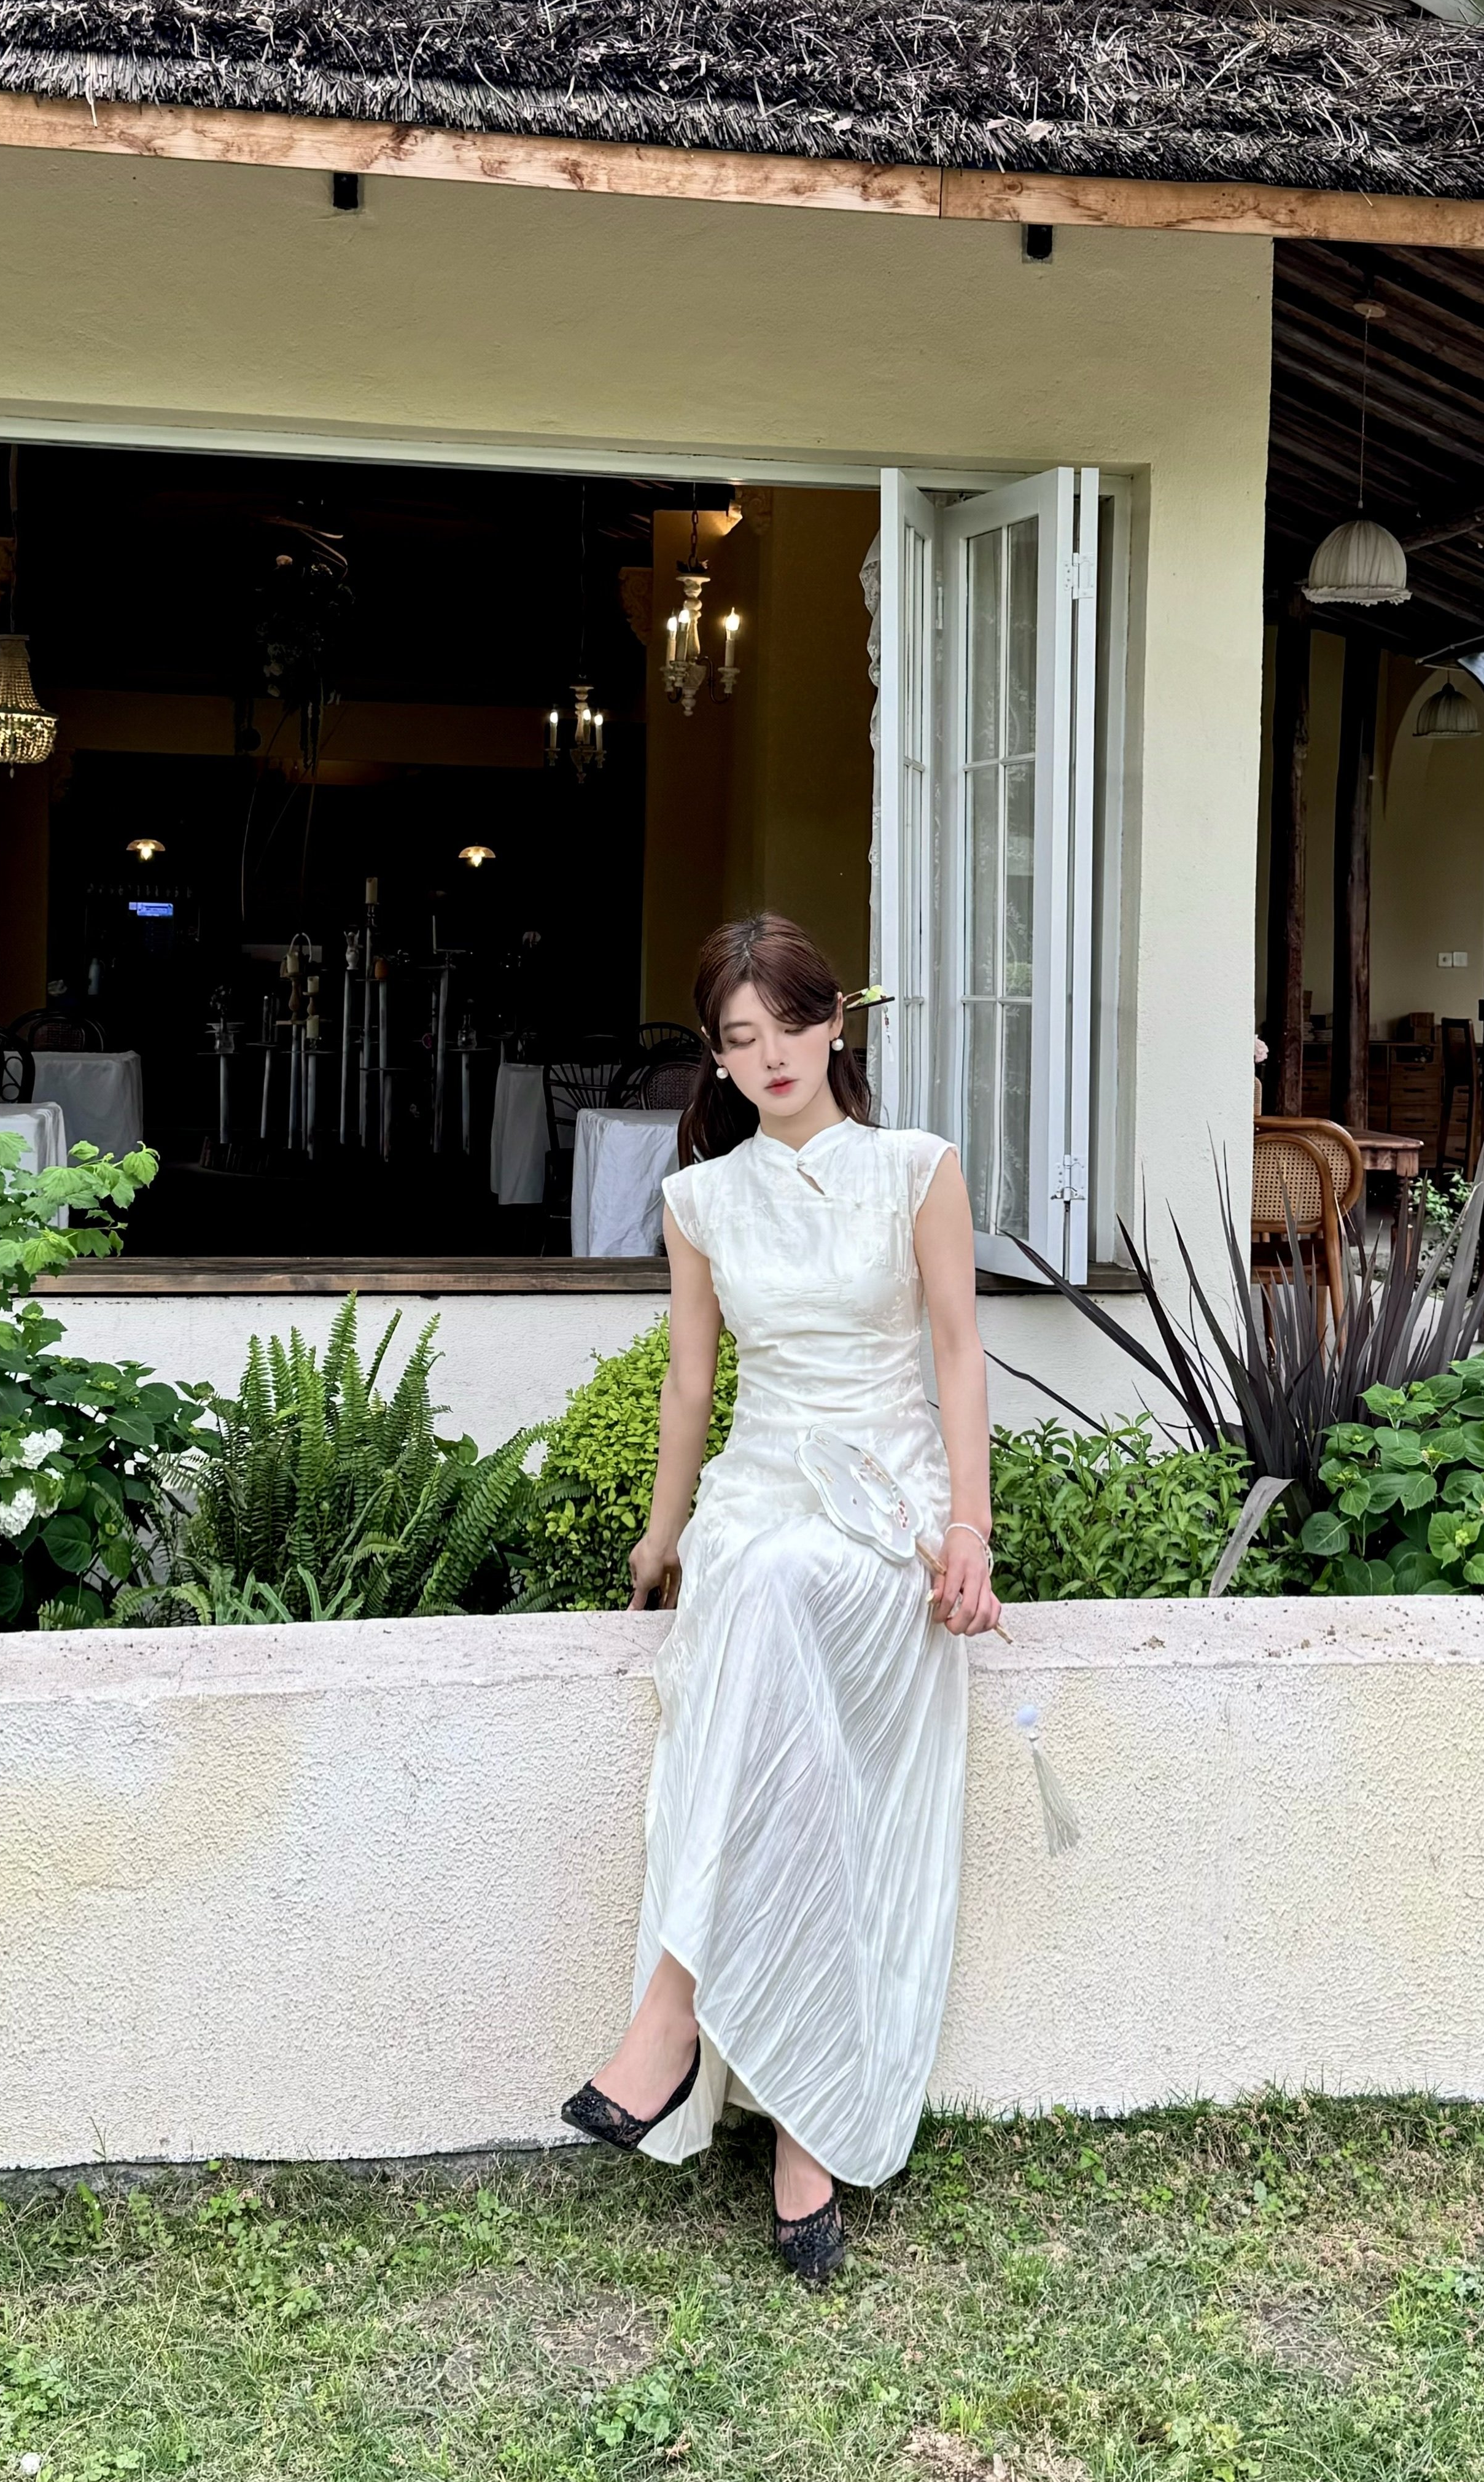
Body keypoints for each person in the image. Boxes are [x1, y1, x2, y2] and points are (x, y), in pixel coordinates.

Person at [560, 911, 1001, 2281]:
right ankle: (802, 2130)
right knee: (752, 1585)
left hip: (881, 1513)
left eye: (792, 1027)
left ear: (834, 1025)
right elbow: (691, 1386)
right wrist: (660, 1538)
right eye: (741, 1038)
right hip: (758, 1498)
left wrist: (969, 1529)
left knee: (776, 1590)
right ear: (717, 1054)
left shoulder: (916, 1169)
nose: (772, 1057)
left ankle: (669, 2012)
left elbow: (957, 1353)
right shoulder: (700, 1199)